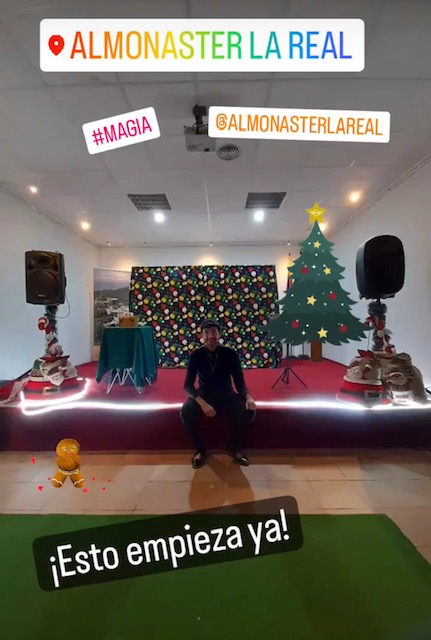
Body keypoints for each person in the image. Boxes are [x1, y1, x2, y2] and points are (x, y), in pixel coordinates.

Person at [180, 318, 257, 469]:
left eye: (214, 332)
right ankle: (200, 449)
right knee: (186, 411)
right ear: (202, 336)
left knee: (249, 411)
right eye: (207, 333)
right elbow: (188, 385)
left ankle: (232, 446)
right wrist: (202, 404)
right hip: (204, 395)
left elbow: (239, 381)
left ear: (219, 334)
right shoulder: (196, 355)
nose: (211, 336)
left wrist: (248, 397)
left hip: (226, 394)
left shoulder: (230, 353)